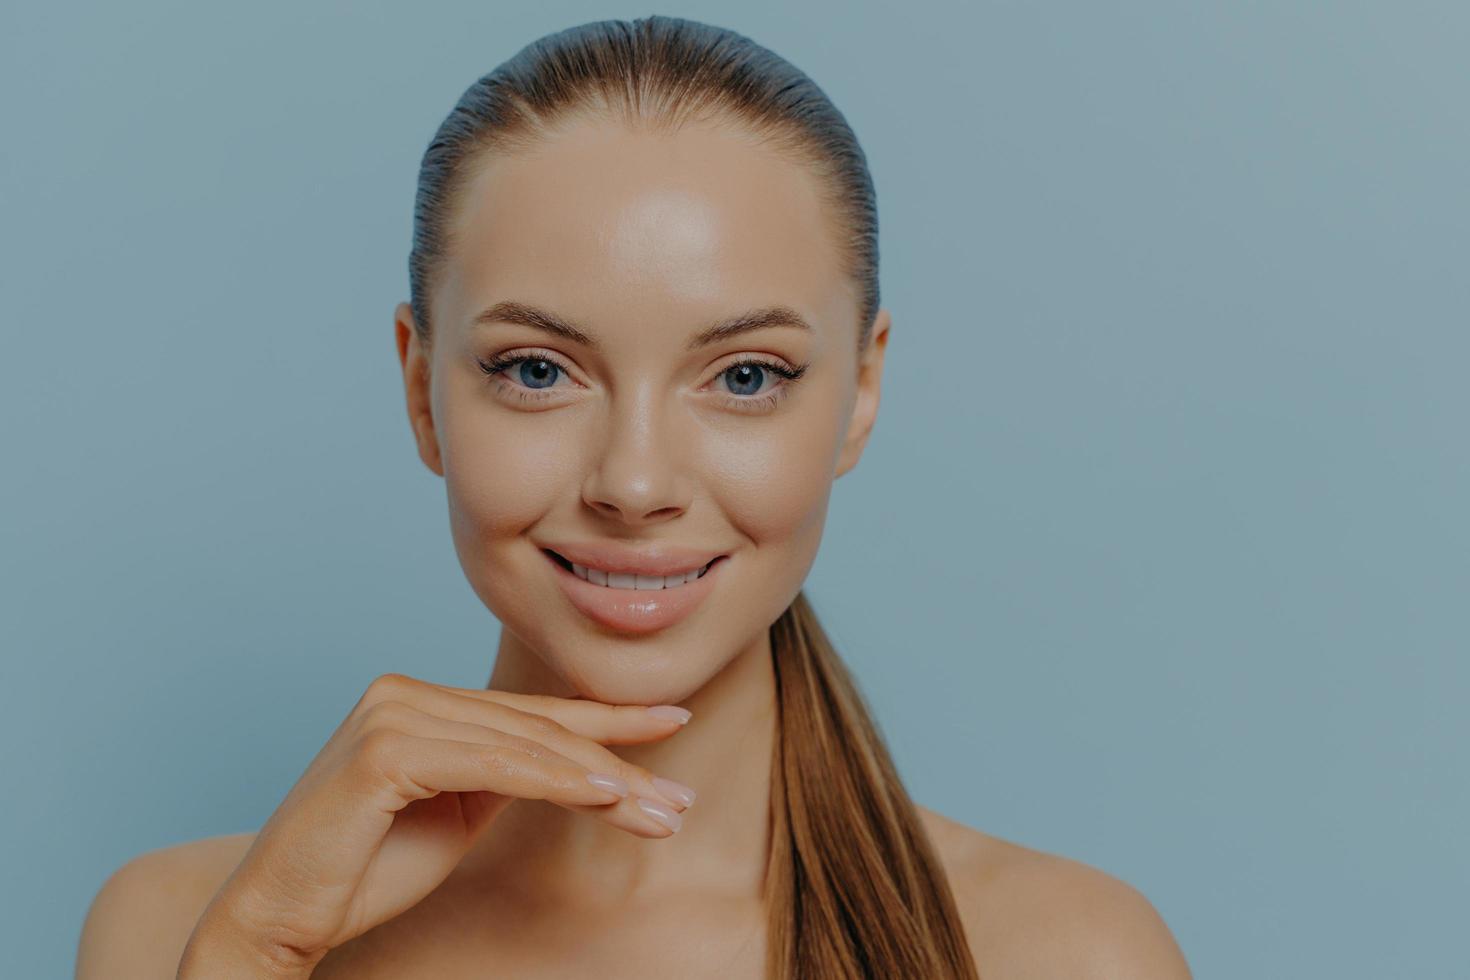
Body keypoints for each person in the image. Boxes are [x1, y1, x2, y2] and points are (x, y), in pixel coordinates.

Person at [77, 15, 1191, 979]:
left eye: (746, 376)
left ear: (861, 392)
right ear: (422, 390)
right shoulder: (183, 927)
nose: (636, 484)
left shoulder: (1062, 952)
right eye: (537, 370)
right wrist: (253, 952)